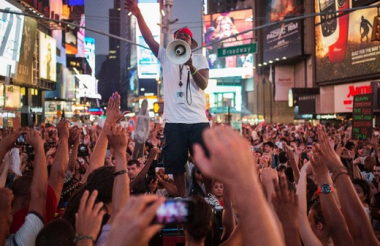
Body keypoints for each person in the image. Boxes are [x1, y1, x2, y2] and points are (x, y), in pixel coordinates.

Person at [125, 0, 210, 198]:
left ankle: (209, 195)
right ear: (174, 42)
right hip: (174, 121)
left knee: (205, 161)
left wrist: (191, 66)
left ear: (190, 42)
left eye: (185, 36)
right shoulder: (166, 57)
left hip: (198, 120)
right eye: (178, 37)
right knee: (176, 163)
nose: (181, 38)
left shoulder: (199, 59)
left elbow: (204, 83)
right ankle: (183, 198)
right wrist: (138, 15)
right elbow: (149, 40)